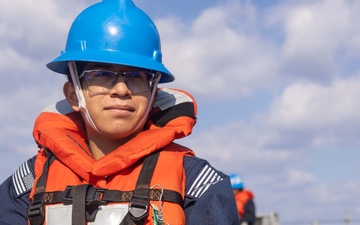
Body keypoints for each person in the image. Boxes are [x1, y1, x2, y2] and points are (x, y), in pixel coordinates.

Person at [0, 0, 240, 224]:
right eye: (102, 74)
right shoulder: (28, 183)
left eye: (137, 76)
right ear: (74, 94)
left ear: (153, 93)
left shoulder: (197, 184)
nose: (122, 89)